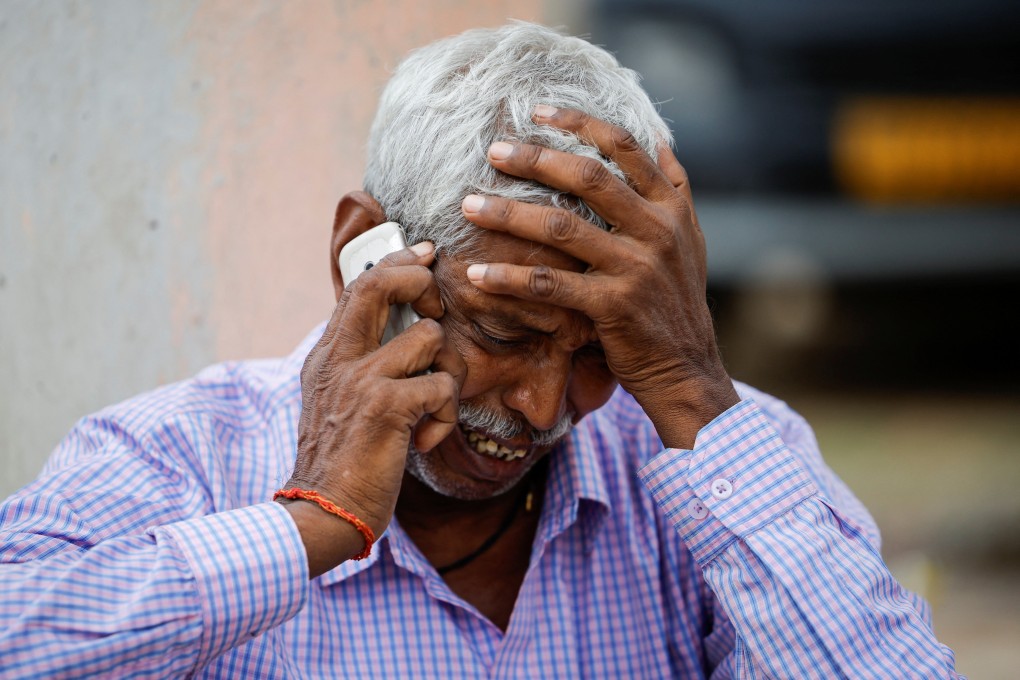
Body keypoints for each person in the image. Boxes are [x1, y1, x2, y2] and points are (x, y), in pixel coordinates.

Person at [0, 22, 960, 678]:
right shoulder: (176, 460)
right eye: (506, 335)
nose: (544, 410)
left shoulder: (711, 459)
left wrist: (687, 384)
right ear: (363, 256)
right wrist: (303, 532)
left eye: (603, 355)